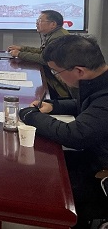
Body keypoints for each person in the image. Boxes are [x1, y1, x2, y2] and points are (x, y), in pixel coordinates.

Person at [19, 34, 108, 228]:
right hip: (94, 156)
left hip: (101, 172)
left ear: (79, 71)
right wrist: (53, 106)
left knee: (44, 185)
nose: (56, 76)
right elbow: (87, 107)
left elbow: (75, 135)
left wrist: (30, 116)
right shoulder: (98, 80)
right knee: (40, 165)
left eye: (56, 71)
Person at [8, 10, 71, 99]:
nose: (37, 23)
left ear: (53, 24)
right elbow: (43, 52)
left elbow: (44, 59)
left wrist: (19, 54)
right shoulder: (55, 34)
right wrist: (22, 49)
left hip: (60, 87)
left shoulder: (58, 38)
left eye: (40, 21)